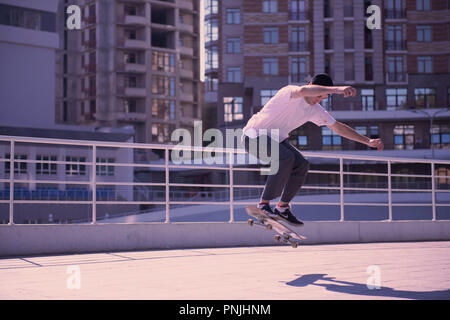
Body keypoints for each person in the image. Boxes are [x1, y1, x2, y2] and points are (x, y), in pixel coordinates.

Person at [241, 74, 384, 226]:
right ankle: (263, 205)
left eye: (323, 97)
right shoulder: (290, 92)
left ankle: (282, 208)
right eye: (317, 95)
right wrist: (337, 89)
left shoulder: (316, 110)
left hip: (276, 140)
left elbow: (337, 127)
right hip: (253, 136)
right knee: (286, 157)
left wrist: (367, 141)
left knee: (302, 164)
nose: (318, 100)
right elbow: (303, 91)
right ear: (311, 86)